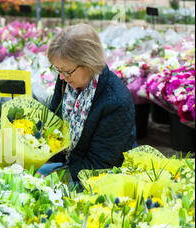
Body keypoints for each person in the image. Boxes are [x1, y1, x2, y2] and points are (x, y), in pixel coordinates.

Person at [38, 24, 137, 184]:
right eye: (58, 70)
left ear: (89, 63)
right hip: (72, 163)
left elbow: (100, 164)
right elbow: (54, 127)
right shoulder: (66, 80)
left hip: (103, 177)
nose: (61, 77)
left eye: (67, 71)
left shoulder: (115, 101)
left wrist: (58, 179)